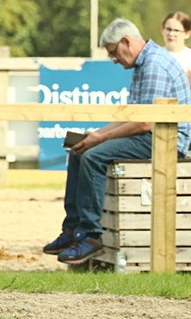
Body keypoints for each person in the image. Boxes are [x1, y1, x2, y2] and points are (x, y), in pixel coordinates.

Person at [43, 18, 191, 264]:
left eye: (114, 53)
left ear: (126, 42)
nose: (114, 60)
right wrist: (95, 135)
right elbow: (129, 117)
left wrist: (100, 139)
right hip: (153, 133)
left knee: (93, 155)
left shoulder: (154, 65)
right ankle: (72, 231)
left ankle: (91, 237)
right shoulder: (144, 63)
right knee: (79, 151)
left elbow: (145, 123)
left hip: (167, 140)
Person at [160, 11, 191, 81]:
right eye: (168, 29)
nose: (171, 34)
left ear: (187, 34)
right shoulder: (155, 55)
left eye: (176, 30)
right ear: (162, 31)